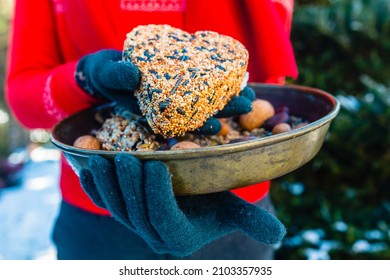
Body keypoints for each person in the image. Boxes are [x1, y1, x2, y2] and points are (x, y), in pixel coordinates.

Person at [5, 0, 298, 260]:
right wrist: (85, 79)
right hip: (102, 211)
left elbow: (267, 82)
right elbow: (23, 100)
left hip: (229, 211)